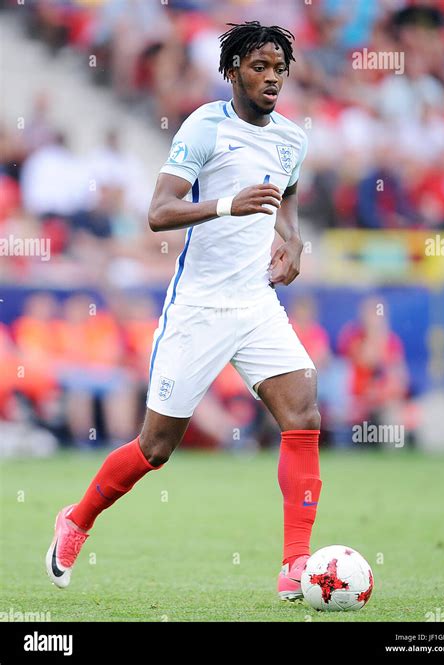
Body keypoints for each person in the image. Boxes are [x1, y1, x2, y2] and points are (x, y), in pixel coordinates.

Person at [46, 21, 322, 602]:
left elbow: (288, 194)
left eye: (279, 69)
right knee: (155, 448)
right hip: (197, 306)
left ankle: (296, 565)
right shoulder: (204, 126)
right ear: (233, 72)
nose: (272, 78)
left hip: (255, 302)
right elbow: (159, 211)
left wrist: (290, 240)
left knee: (303, 416)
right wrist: (227, 204)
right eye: (259, 68)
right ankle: (77, 519)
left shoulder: (291, 138)